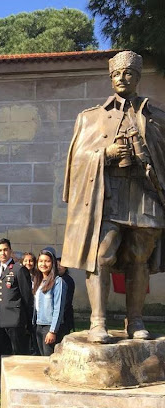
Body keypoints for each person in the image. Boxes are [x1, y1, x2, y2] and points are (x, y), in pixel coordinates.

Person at [62, 50, 165, 342]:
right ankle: (98, 321)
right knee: (102, 255)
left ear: (137, 77)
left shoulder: (156, 117)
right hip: (108, 196)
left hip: (145, 195)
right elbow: (76, 160)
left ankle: (135, 320)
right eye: (116, 74)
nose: (122, 78)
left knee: (139, 259)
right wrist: (105, 154)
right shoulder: (91, 118)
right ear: (111, 78)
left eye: (128, 73)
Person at [0, 238, 33, 357]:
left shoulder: (18, 269)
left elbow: (27, 297)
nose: (3, 253)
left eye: (5, 249)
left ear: (10, 251)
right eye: (0, 250)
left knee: (19, 353)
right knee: (5, 353)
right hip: (0, 319)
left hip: (15, 319)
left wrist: (27, 321)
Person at [32, 248, 67, 356]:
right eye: (41, 261)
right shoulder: (38, 281)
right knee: (42, 358)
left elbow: (58, 308)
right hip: (39, 325)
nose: (43, 264)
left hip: (50, 326)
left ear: (53, 263)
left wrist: (52, 331)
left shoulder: (58, 282)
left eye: (47, 261)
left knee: (50, 359)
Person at [57, 257, 76, 335]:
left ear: (65, 267)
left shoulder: (67, 280)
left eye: (60, 265)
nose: (58, 267)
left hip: (64, 317)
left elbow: (67, 301)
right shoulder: (54, 279)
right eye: (56, 265)